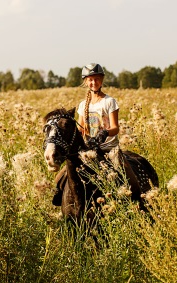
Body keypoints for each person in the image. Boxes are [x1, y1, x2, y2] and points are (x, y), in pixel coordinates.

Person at [52, 63, 142, 206]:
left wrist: (105, 132)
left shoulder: (109, 102)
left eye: (96, 79)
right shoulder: (82, 105)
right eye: (90, 80)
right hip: (88, 151)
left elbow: (115, 128)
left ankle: (136, 199)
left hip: (109, 149)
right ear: (86, 82)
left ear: (102, 80)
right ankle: (58, 193)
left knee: (127, 175)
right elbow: (81, 130)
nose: (93, 82)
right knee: (63, 174)